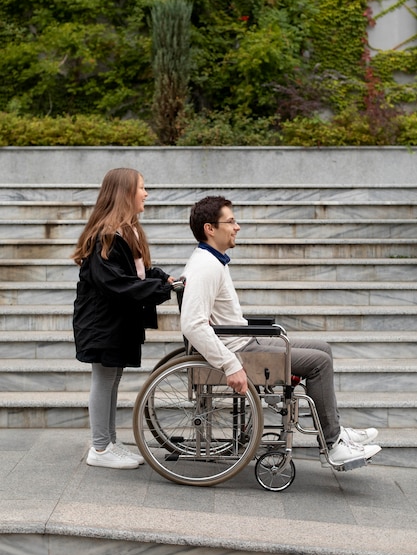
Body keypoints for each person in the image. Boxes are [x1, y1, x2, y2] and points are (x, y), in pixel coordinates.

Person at [180, 195, 382, 468]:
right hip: (237, 351)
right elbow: (192, 324)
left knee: (323, 348)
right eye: (231, 221)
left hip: (241, 340)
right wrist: (229, 365)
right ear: (210, 228)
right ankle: (334, 445)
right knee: (319, 363)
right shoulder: (206, 266)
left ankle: (334, 430)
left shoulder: (213, 261)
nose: (237, 226)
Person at [72, 168, 176, 469]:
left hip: (112, 322)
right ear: (125, 193)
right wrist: (161, 288)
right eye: (142, 188)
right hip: (101, 323)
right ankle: (101, 448)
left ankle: (109, 443)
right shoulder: (106, 235)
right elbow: (115, 283)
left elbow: (134, 273)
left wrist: (161, 277)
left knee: (111, 378)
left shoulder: (125, 231)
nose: (146, 193)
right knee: (104, 379)